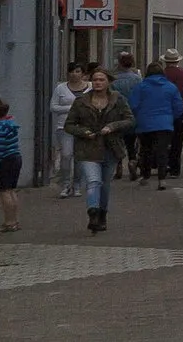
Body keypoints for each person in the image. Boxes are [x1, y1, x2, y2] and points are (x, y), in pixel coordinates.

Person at [65, 66, 133, 234]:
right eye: (95, 80)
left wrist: (112, 126)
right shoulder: (81, 102)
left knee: (105, 184)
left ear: (108, 82)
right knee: (93, 181)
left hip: (111, 148)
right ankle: (93, 213)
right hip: (88, 148)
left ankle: (102, 215)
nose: (97, 83)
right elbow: (69, 125)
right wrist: (83, 132)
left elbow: (130, 120)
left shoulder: (118, 99)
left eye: (101, 80)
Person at [130, 61, 183, 189]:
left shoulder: (140, 87)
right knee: (162, 151)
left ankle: (145, 175)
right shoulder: (171, 87)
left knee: (145, 150)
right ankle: (162, 178)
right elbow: (179, 106)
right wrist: (171, 117)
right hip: (164, 123)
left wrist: (139, 116)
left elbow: (133, 105)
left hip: (145, 123)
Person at [51, 63, 88, 196]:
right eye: (71, 71)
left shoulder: (89, 88)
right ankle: (65, 184)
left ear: (83, 73)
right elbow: (53, 107)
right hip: (64, 127)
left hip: (84, 127)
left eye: (77, 71)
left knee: (79, 158)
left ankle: (77, 185)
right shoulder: (60, 88)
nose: (74, 74)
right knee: (66, 155)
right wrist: (71, 108)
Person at [0, 99, 22, 232]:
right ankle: (15, 220)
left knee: (5, 191)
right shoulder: (9, 124)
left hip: (5, 161)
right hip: (16, 157)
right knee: (12, 190)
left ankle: (9, 222)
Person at [109, 52, 144, 180]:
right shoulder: (137, 79)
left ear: (119, 63)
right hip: (134, 114)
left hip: (118, 114)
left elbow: (110, 98)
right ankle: (132, 161)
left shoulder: (113, 80)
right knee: (131, 141)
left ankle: (118, 164)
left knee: (118, 141)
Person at [162, 51, 183, 177]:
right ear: (177, 61)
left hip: (163, 111)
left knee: (163, 140)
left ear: (165, 61)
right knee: (177, 141)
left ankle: (163, 165)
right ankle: (175, 169)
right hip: (180, 112)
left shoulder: (162, 74)